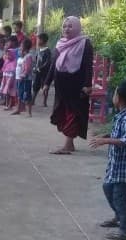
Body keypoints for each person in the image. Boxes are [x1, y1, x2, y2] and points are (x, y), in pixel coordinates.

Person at [87, 80, 126, 240]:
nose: (113, 95)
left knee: (119, 196)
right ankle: (119, 216)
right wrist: (105, 136)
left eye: (116, 93)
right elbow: (117, 134)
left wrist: (106, 141)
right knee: (107, 188)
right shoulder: (121, 115)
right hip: (117, 164)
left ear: (121, 98)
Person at [43, 16, 94, 154]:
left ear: (77, 27)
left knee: (73, 113)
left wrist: (87, 85)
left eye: (70, 26)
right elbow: (54, 65)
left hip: (76, 86)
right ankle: (69, 144)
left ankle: (68, 145)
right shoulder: (60, 44)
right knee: (64, 113)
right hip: (61, 86)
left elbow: (88, 66)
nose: (66, 29)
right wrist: (47, 83)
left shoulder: (85, 43)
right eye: (65, 26)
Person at [12, 38, 33, 116]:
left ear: (25, 47)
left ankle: (29, 112)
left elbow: (27, 69)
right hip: (20, 78)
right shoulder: (23, 56)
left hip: (25, 79)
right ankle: (18, 109)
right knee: (19, 93)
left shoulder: (28, 56)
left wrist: (22, 76)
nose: (20, 47)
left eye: (21, 45)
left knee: (26, 94)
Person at [32, 33, 51, 107]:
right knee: (35, 86)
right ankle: (33, 100)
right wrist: (35, 67)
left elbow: (47, 62)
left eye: (38, 39)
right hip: (37, 72)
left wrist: (40, 68)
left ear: (42, 40)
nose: (37, 41)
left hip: (44, 73)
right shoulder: (39, 50)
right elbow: (36, 60)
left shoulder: (47, 51)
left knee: (45, 87)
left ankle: (44, 102)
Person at [0, 38, 18, 110]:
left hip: (11, 81)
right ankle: (7, 104)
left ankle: (10, 105)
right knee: (6, 92)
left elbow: (14, 71)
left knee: (10, 93)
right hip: (5, 79)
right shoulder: (6, 61)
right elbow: (3, 68)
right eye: (7, 54)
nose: (7, 55)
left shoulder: (14, 62)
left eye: (9, 54)